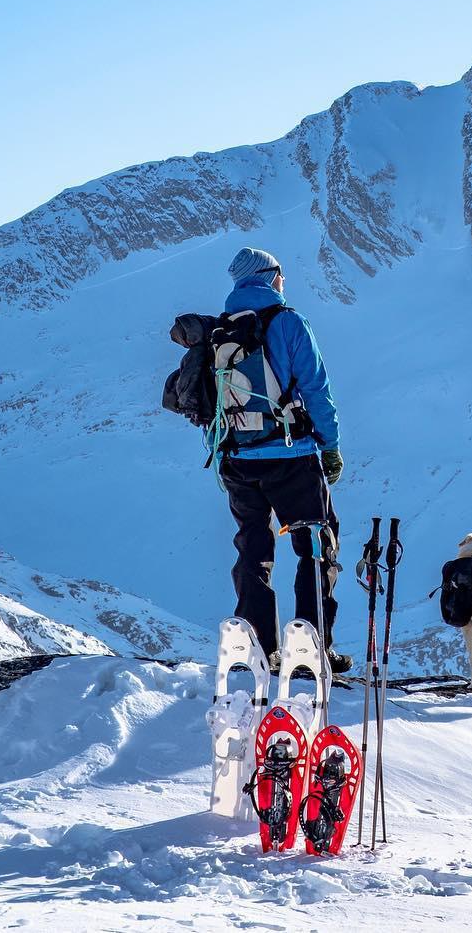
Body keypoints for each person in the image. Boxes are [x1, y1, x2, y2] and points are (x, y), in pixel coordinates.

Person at [215, 246, 351, 674]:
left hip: (238, 457)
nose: (284, 281)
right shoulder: (288, 322)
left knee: (254, 547)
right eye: (281, 274)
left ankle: (257, 647)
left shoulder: (221, 330)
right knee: (315, 545)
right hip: (291, 455)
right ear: (270, 276)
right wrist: (329, 446)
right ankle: (310, 651)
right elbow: (316, 389)